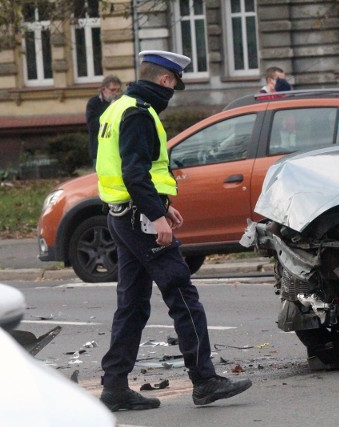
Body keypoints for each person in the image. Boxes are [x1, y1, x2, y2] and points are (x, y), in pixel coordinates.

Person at [95, 50, 252, 412]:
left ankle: (115, 386)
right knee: (182, 294)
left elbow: (122, 169)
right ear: (165, 80)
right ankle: (205, 380)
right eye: (174, 85)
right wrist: (157, 216)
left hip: (122, 217)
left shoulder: (116, 108)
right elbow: (134, 172)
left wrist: (163, 205)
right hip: (138, 219)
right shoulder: (137, 113)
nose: (173, 93)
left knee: (132, 305)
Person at [86, 75, 122, 166]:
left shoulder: (121, 102)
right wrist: (110, 108)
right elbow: (93, 125)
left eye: (118, 90)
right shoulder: (93, 103)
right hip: (99, 152)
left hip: (117, 151)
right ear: (103, 90)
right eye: (113, 90)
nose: (116, 94)